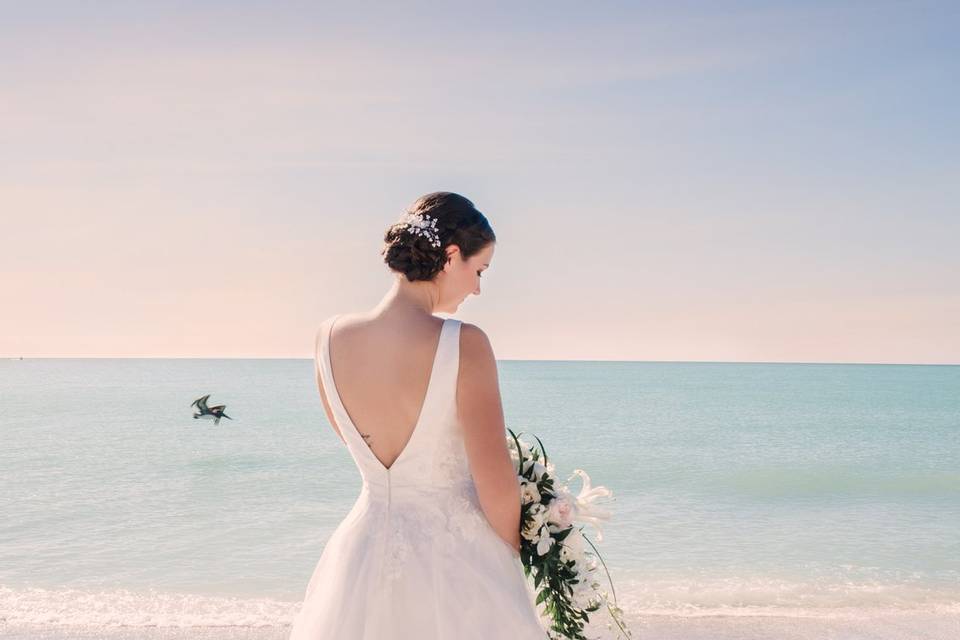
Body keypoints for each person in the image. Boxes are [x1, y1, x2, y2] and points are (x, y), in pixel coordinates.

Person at [288, 192, 547, 639]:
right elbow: (495, 482)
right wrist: (513, 559)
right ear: (450, 257)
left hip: (361, 557)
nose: (477, 289)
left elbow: (353, 442)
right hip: (457, 564)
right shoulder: (465, 343)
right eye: (479, 270)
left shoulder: (327, 338)